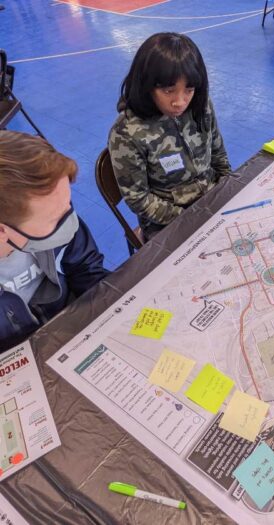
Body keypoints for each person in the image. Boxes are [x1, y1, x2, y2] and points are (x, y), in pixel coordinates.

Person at [109, 32, 232, 241]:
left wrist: (230, 188)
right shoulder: (127, 133)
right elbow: (139, 199)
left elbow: (218, 155)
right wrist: (187, 218)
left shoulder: (200, 106)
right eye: (168, 91)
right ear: (147, 85)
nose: (180, 102)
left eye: (189, 90)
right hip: (167, 220)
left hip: (211, 199)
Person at [0, 131, 109, 352]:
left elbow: (86, 269)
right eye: (54, 218)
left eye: (68, 201)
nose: (69, 217)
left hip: (67, 328)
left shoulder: (57, 217)